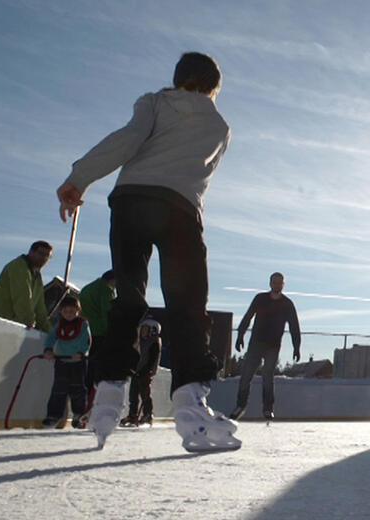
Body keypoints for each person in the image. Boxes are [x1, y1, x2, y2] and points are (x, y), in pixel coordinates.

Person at [55, 52, 240, 451]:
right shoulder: (220, 126)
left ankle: (108, 391)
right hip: (180, 209)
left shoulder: (154, 102)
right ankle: (190, 400)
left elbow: (128, 139)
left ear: (177, 79)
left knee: (129, 293)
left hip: (132, 200)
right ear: (214, 87)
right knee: (187, 304)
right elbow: (201, 177)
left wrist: (78, 179)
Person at [232, 272, 302, 421]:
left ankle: (268, 408)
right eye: (275, 282)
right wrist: (240, 335)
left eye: (280, 282)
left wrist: (296, 346)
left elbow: (294, 326)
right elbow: (248, 316)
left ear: (283, 284)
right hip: (256, 343)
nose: (277, 285)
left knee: (268, 377)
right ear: (270, 283)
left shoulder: (287, 304)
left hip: (273, 346)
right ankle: (240, 405)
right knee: (246, 375)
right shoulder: (260, 299)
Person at [42, 296, 90, 429]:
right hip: (61, 361)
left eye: (72, 311)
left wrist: (81, 353)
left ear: (78, 311)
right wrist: (48, 350)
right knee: (58, 389)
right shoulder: (59, 325)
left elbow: (86, 341)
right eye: (66, 311)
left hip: (77, 362)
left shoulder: (83, 324)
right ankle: (53, 415)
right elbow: (51, 338)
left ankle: (79, 414)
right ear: (61, 312)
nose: (69, 314)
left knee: (78, 389)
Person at [0, 241, 54, 331]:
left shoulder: (37, 278)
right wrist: (29, 321)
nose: (44, 258)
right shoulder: (19, 267)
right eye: (41, 253)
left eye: (48, 256)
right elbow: (22, 297)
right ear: (31, 252)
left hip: (9, 327)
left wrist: (51, 333)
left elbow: (40, 310)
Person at [77, 270, 116, 421]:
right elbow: (107, 314)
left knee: (86, 372)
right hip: (100, 334)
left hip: (85, 333)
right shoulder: (105, 291)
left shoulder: (88, 288)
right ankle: (90, 410)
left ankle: (81, 408)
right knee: (97, 374)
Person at [121, 317, 162, 427]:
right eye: (142, 329)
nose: (142, 332)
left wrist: (146, 370)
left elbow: (152, 359)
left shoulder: (154, 343)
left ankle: (147, 414)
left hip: (145, 372)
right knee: (133, 394)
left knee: (145, 394)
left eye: (145, 329)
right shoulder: (139, 342)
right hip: (137, 371)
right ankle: (132, 415)